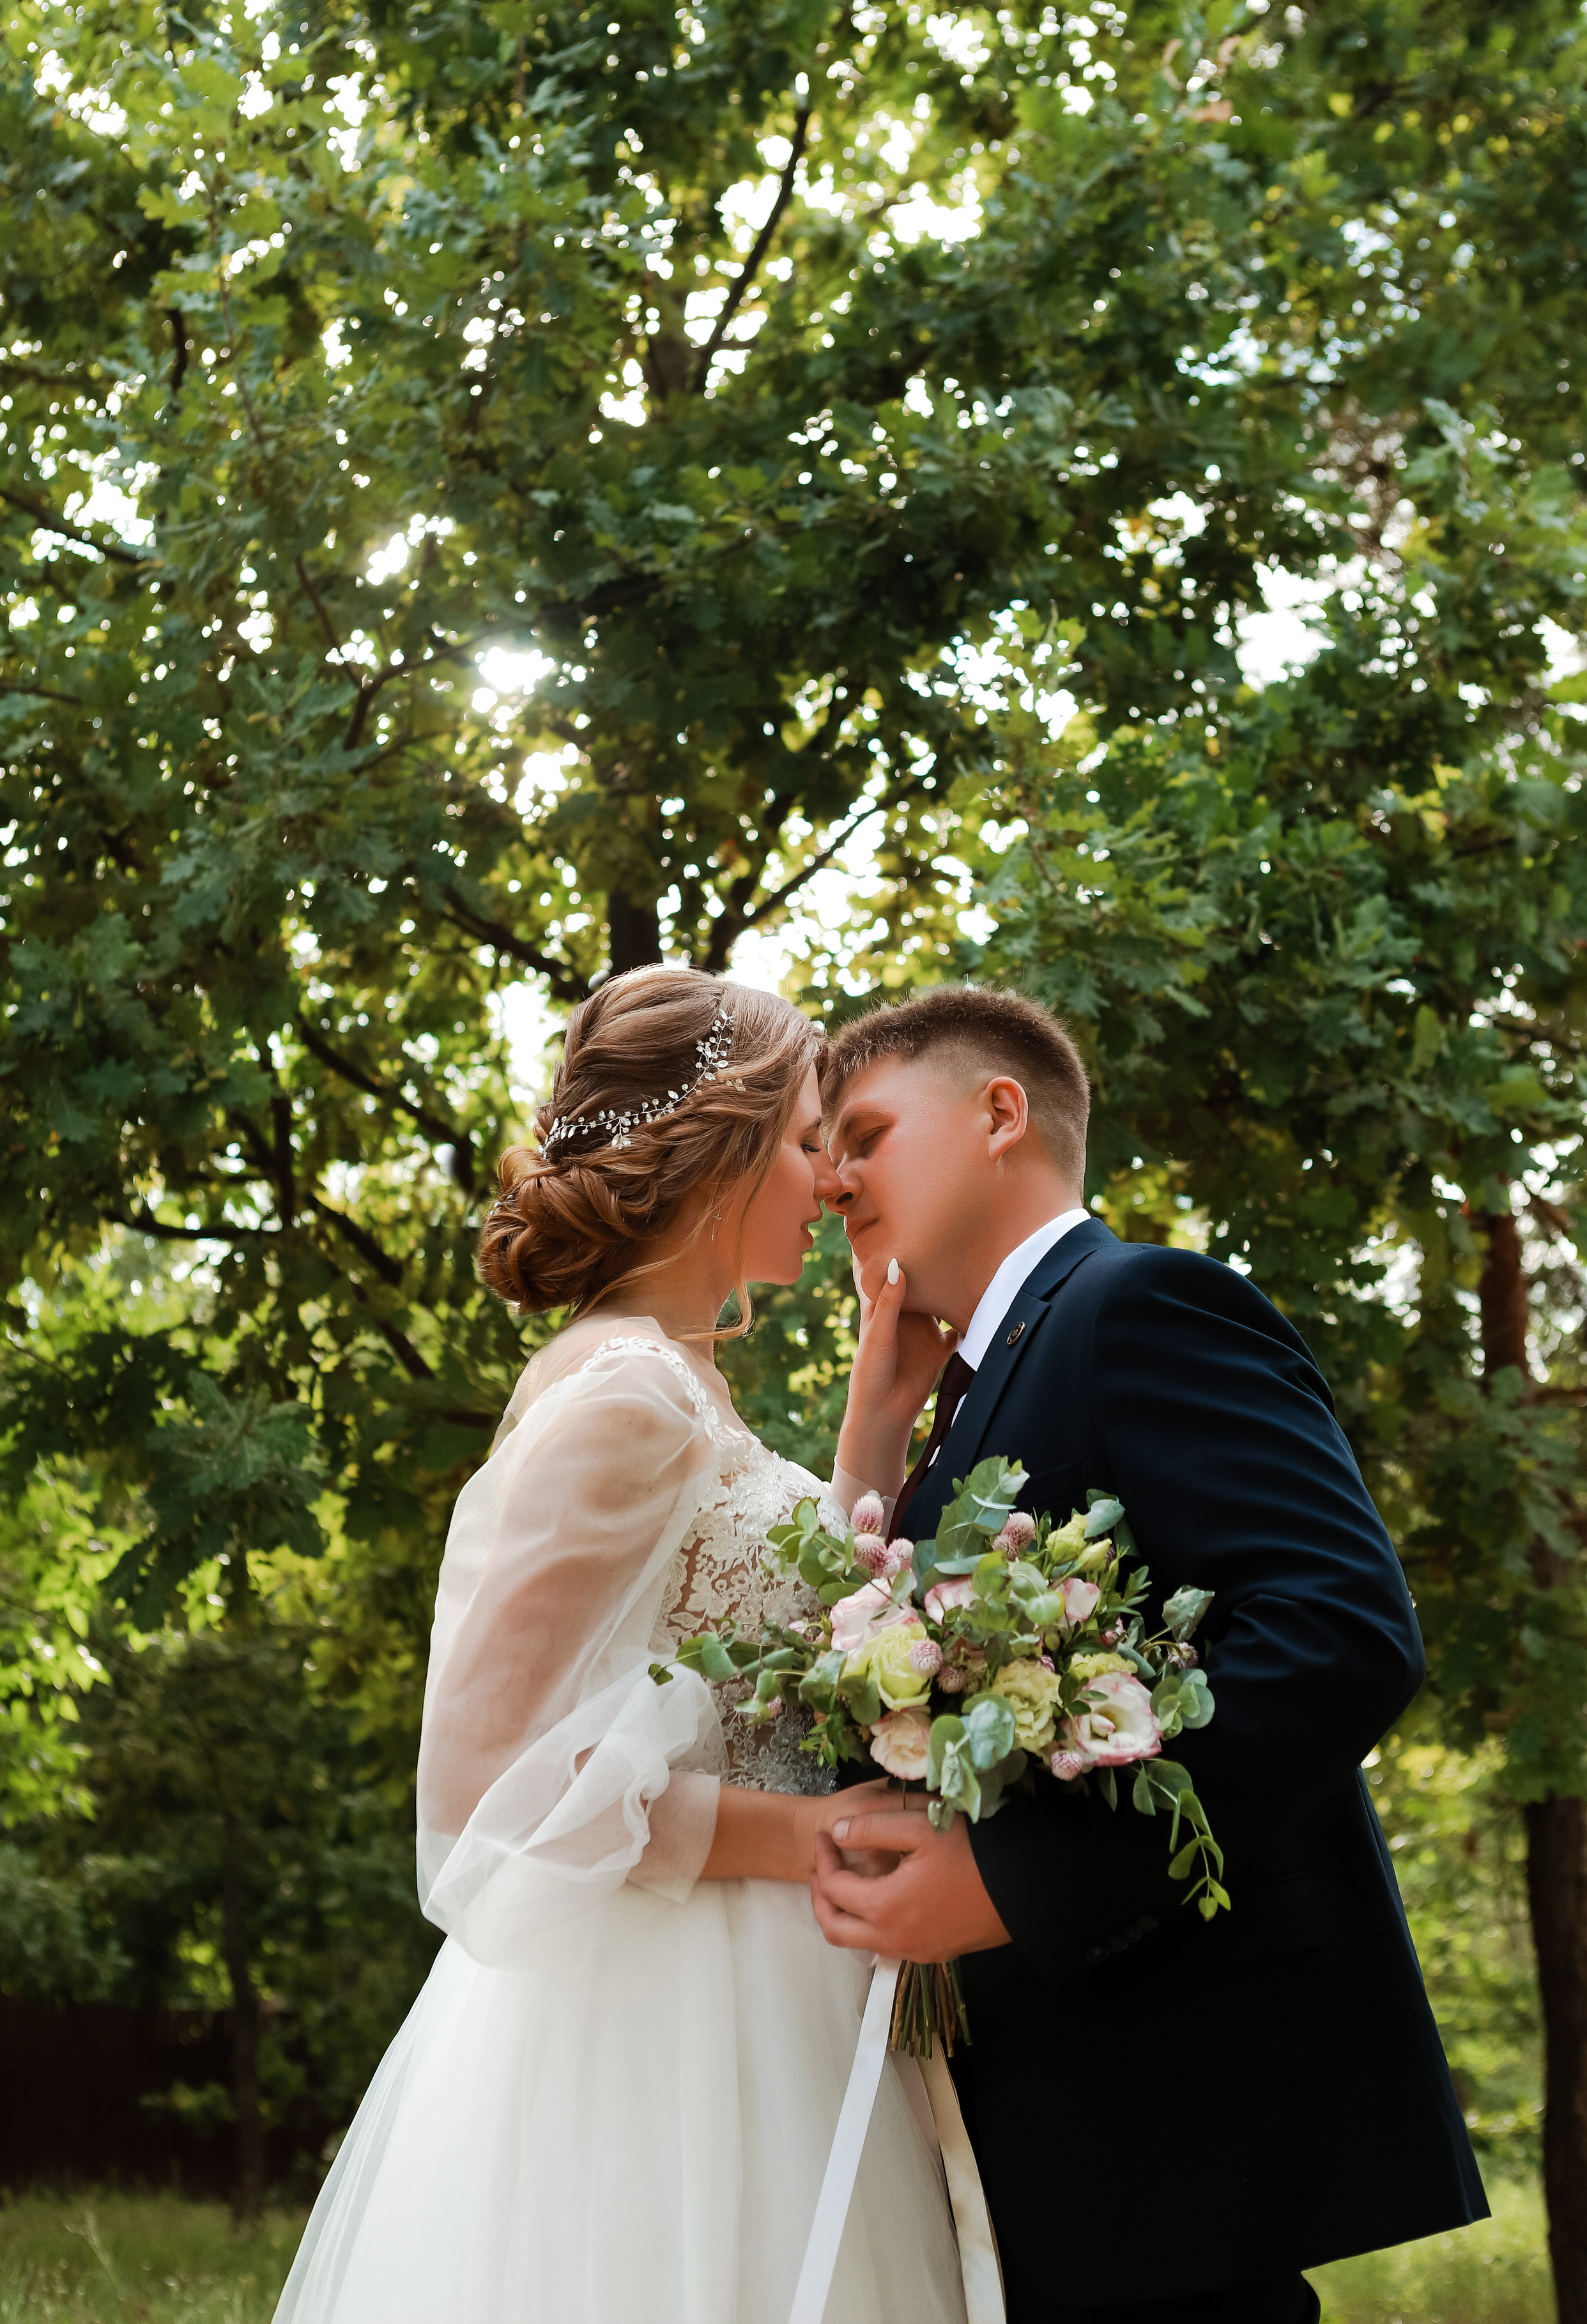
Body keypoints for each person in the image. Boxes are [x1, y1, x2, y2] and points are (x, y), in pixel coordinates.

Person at [271, 967, 963, 2324]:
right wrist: (809, 1834)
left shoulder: (677, 1377)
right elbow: (481, 1793)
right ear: (723, 1152)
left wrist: (875, 1427)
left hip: (763, 1976)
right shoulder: (623, 1391)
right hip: (664, 2016)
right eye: (808, 1138)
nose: (831, 1178)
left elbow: (738, 1624)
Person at [809, 984, 1489, 2324]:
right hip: (1056, 2134)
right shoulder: (972, 1396)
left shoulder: (1138, 1304)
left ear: (1000, 1112)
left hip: (1178, 2121)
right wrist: (875, 1443)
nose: (831, 1180)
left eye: (866, 1135)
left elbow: (1337, 1632)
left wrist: (1016, 1881)